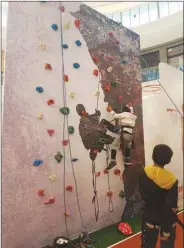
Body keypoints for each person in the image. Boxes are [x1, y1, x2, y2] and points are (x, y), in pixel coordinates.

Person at [139, 144, 179, 248]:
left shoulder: (144, 173)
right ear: (168, 160)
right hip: (167, 221)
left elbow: (143, 195)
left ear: (153, 156)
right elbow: (172, 205)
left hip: (150, 218)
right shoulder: (172, 179)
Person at [102, 105, 137, 170]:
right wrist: (131, 107)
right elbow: (131, 112)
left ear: (124, 111)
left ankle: (113, 161)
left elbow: (115, 115)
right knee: (128, 146)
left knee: (113, 145)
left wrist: (110, 110)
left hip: (123, 134)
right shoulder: (133, 116)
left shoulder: (124, 114)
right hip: (130, 136)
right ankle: (126, 162)